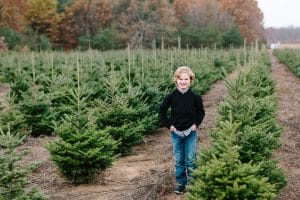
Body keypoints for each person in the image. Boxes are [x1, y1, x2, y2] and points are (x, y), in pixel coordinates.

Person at [159, 66, 205, 194]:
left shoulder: (195, 97)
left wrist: (196, 124)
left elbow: (201, 112)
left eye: (186, 79)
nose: (183, 82)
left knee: (190, 159)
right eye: (180, 79)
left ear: (191, 80)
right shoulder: (171, 96)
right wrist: (170, 125)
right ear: (176, 80)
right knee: (179, 160)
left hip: (190, 132)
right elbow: (162, 111)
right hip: (176, 133)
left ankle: (193, 184)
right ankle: (181, 184)